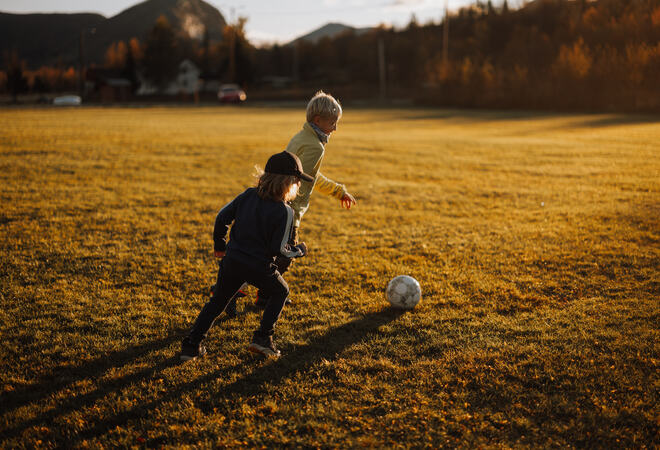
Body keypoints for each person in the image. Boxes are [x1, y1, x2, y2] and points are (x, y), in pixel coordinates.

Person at [180, 151, 312, 360]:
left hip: (232, 261)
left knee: (217, 302)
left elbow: (221, 217)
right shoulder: (285, 211)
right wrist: (299, 251)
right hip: (259, 267)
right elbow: (280, 249)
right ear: (290, 182)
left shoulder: (248, 195)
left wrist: (220, 245)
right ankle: (262, 338)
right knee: (281, 291)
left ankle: (191, 345)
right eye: (297, 181)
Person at [252, 90, 357, 307]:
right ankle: (255, 293)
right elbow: (308, 179)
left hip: (275, 201)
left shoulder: (301, 136)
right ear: (318, 120)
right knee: (284, 256)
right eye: (333, 122)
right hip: (288, 208)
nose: (335, 128)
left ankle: (261, 294)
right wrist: (338, 191)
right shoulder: (314, 146)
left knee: (269, 255)